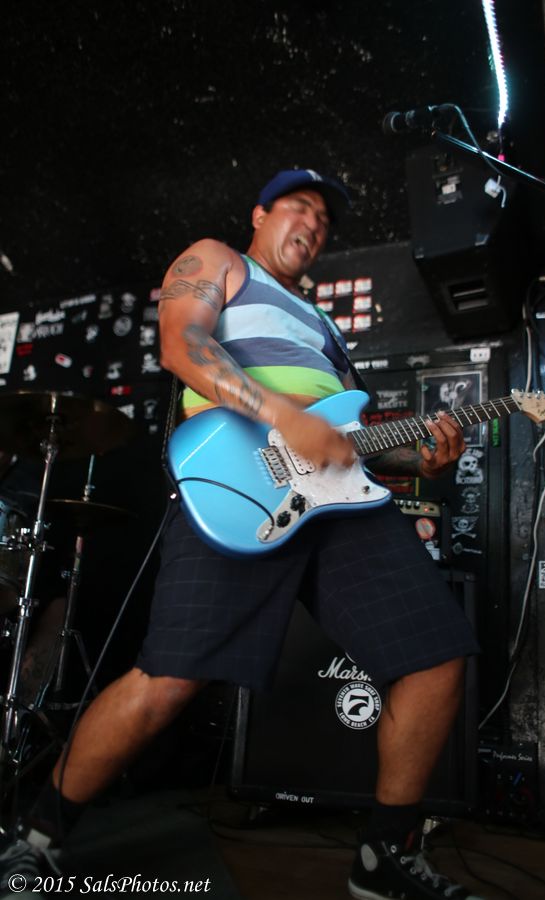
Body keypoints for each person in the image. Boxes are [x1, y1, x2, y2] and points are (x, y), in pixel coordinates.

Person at [1, 169, 482, 900]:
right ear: (260, 215)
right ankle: (38, 837)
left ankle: (386, 858)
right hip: (237, 483)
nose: (313, 224)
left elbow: (347, 445)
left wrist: (425, 461)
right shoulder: (218, 261)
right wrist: (284, 415)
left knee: (437, 657)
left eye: (324, 219)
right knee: (167, 681)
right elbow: (183, 344)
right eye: (300, 206)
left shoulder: (326, 330)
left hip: (340, 507)